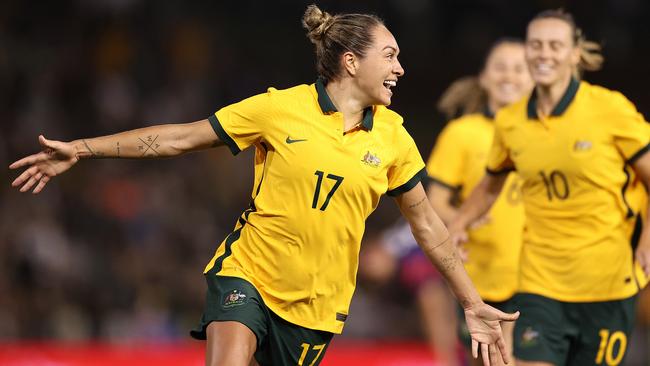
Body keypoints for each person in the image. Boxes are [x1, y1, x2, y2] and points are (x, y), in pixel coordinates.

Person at [9, 5, 518, 366]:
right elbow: (181, 138)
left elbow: (428, 226)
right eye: (389, 55)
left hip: (318, 308)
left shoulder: (395, 137)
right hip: (247, 274)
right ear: (351, 61)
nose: (400, 68)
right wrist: (82, 147)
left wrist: (471, 302)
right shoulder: (278, 109)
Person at [448, 9, 650, 366]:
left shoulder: (610, 110)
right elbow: (491, 183)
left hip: (607, 283)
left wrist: (648, 239)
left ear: (574, 54)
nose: (544, 53)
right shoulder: (511, 121)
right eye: (536, 44)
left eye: (555, 45)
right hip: (540, 282)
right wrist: (459, 223)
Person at [361, 38, 533, 366]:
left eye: (519, 68)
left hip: (537, 272)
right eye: (501, 67)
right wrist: (464, 220)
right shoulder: (463, 133)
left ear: (533, 78)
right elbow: (434, 202)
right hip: (480, 272)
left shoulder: (545, 134)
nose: (509, 75)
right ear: (484, 78)